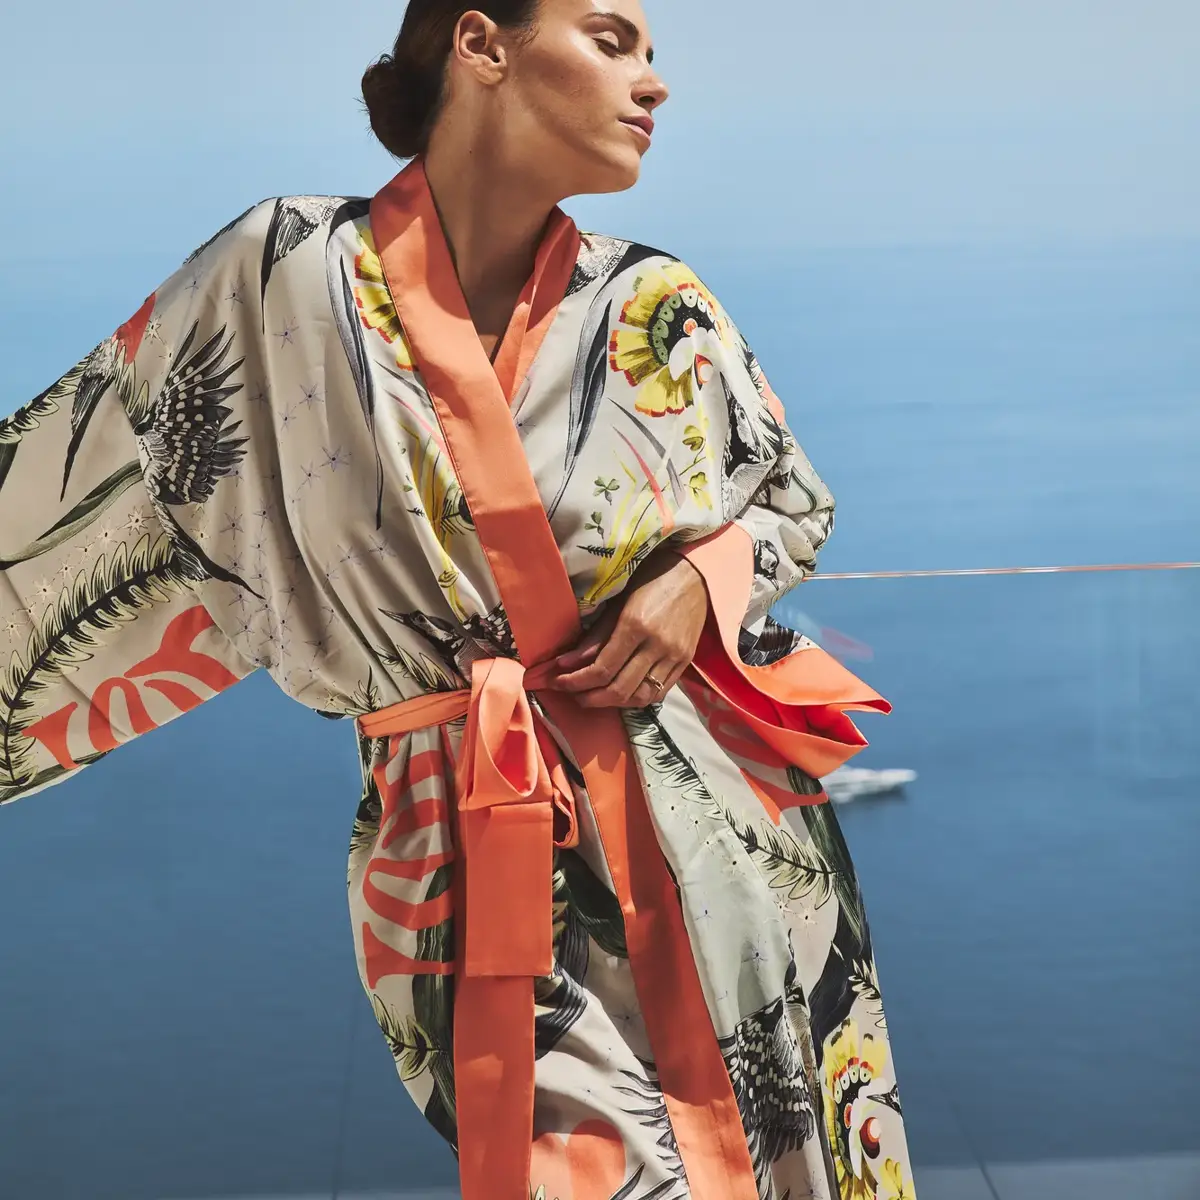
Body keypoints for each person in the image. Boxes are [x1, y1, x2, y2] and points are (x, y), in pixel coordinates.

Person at [0, 2, 917, 1197]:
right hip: (464, 850)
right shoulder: (283, 273)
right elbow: (79, 485)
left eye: (651, 52)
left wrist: (699, 583)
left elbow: (788, 501)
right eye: (612, 39)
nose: (654, 82)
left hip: (729, 843)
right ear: (482, 45)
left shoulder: (656, 304)